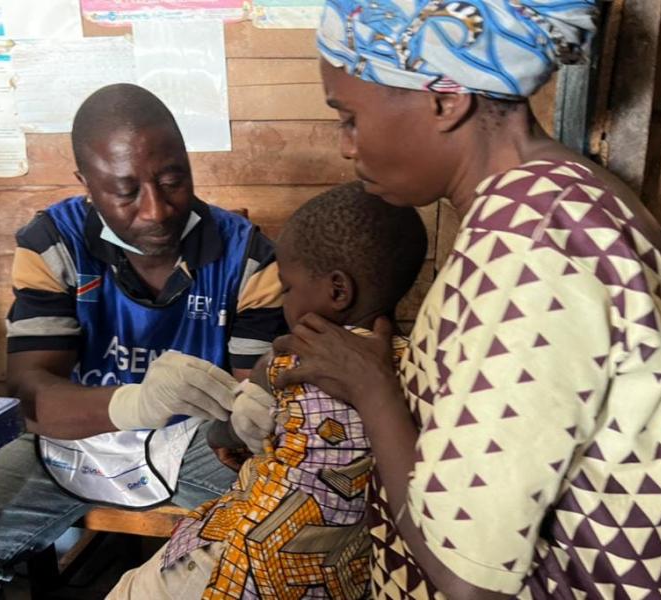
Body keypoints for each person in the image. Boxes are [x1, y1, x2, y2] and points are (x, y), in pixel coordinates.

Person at [272, 1, 661, 599]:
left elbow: (467, 577)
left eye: (350, 117)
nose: (346, 146)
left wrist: (373, 389)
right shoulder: (557, 201)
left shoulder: (529, 250)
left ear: (445, 99)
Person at [0, 83, 285, 599]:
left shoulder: (247, 256)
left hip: (197, 443)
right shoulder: (53, 245)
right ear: (86, 184)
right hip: (73, 433)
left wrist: (253, 407)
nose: (156, 210)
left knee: (281, 529)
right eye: (125, 192)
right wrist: (136, 402)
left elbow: (245, 405)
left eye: (173, 180)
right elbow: (31, 396)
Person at [106, 181, 429, 598]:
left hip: (240, 563)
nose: (284, 302)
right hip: (336, 576)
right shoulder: (415, 365)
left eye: (289, 287)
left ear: (337, 290)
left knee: (130, 590)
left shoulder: (293, 360)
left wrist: (224, 434)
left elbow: (228, 431)